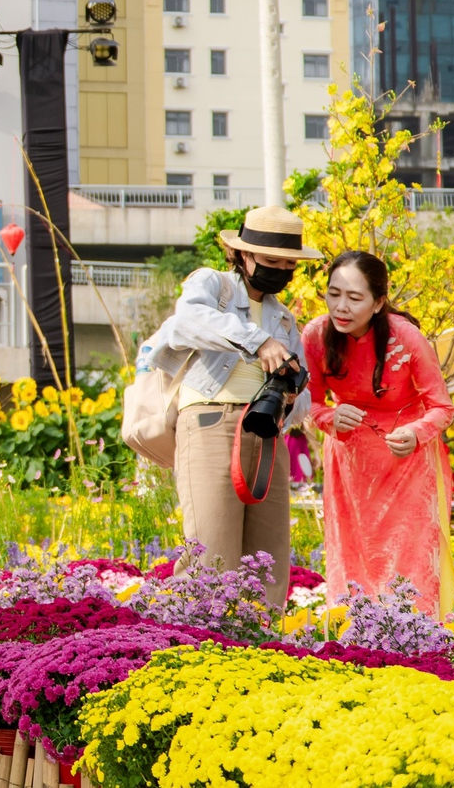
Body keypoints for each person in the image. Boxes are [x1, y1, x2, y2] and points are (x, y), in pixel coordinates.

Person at [140, 205, 320, 613]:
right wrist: (259, 342)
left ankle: (262, 640)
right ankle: (199, 639)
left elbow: (303, 401)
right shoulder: (213, 284)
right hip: (211, 421)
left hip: (267, 431)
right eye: (272, 261)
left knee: (268, 558)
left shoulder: (285, 319)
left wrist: (291, 396)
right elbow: (187, 320)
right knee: (211, 551)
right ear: (242, 254)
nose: (282, 270)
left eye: (289, 264)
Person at [303, 250, 454, 617]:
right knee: (352, 552)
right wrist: (329, 417)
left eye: (354, 298)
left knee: (408, 554)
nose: (341, 307)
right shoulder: (315, 335)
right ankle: (353, 634)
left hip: (407, 463)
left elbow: (442, 407)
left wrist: (416, 433)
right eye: (333, 294)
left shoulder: (407, 337)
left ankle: (415, 635)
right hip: (349, 462)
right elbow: (307, 404)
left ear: (378, 303)